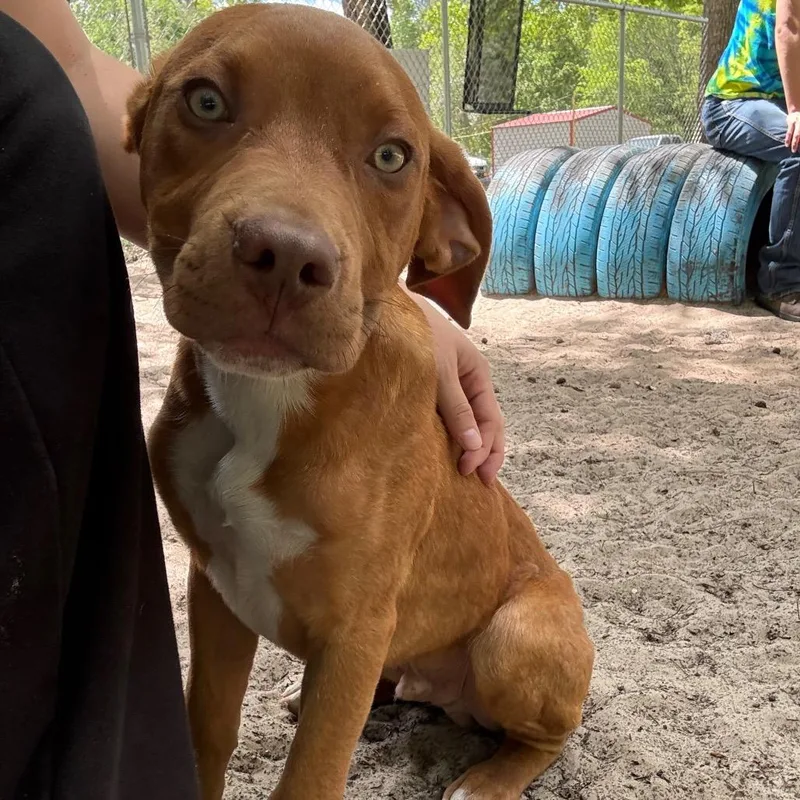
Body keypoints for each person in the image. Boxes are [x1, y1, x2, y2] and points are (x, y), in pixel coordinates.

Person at [0, 2, 505, 797]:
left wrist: (409, 307)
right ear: (152, 116)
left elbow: (63, 66)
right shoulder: (184, 425)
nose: (289, 237)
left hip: (454, 646)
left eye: (386, 157)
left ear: (442, 231)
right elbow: (224, 569)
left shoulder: (376, 434)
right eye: (208, 104)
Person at [701, 0, 800, 322]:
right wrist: (796, 111)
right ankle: (779, 282)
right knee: (798, 148)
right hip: (731, 105)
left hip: (772, 105)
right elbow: (788, 29)